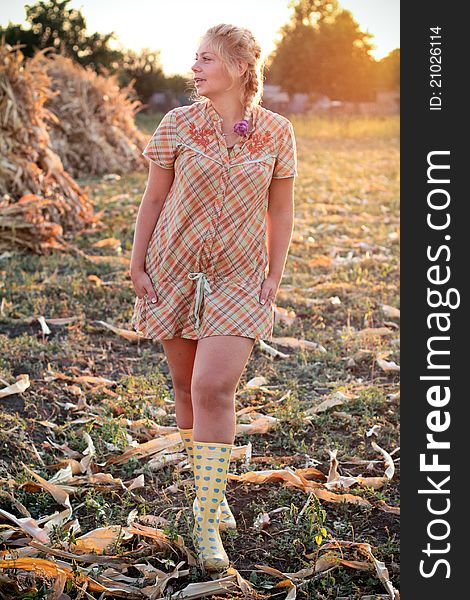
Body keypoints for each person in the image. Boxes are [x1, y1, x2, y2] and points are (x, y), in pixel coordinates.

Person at [129, 23, 297, 572]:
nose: (195, 67)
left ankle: (203, 521)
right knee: (184, 386)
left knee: (213, 386)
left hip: (239, 275)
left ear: (240, 66)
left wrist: (274, 275)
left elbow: (281, 210)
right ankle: (213, 490)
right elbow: (153, 201)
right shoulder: (176, 125)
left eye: (206, 59)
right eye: (195, 58)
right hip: (172, 268)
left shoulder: (276, 133)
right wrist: (137, 265)